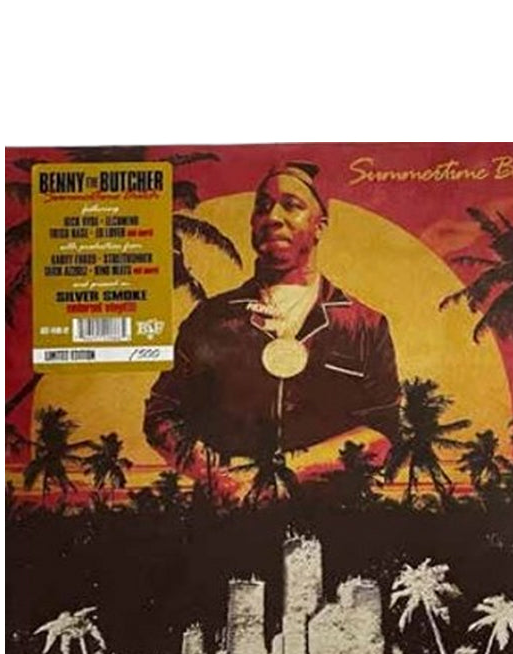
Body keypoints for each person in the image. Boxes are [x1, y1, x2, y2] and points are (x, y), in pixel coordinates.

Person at [144, 161, 400, 477]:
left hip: (332, 506)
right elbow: (162, 415)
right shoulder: (209, 319)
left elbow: (385, 430)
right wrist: (220, 478)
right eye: (263, 207)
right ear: (252, 223)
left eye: (292, 206)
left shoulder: (364, 324)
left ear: (319, 225)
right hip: (228, 505)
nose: (273, 217)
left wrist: (289, 472)